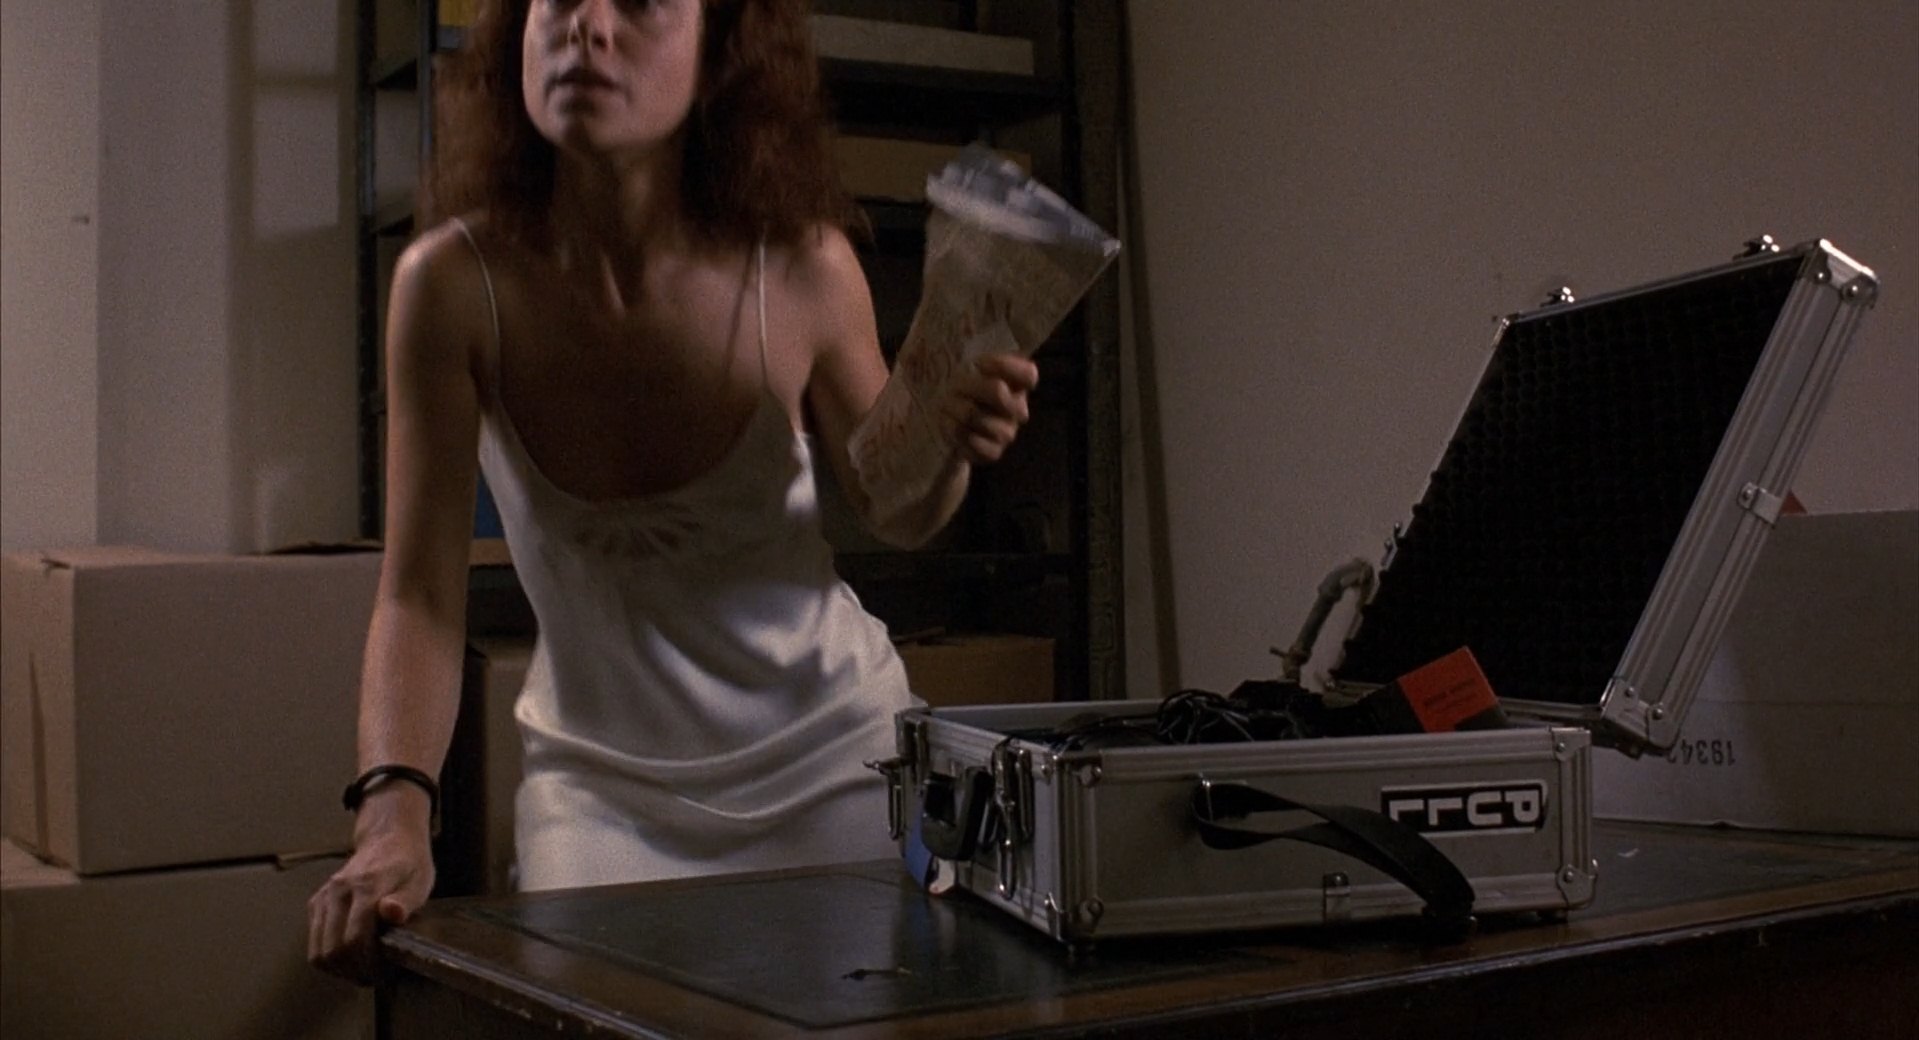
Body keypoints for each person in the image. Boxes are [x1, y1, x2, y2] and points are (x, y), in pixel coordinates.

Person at [307, 0, 1037, 983]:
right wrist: (390, 814)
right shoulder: (448, 284)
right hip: (599, 797)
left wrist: (950, 444)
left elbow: (896, 510)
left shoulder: (803, 265)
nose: (587, 26)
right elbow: (420, 594)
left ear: (718, 54)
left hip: (835, 764)